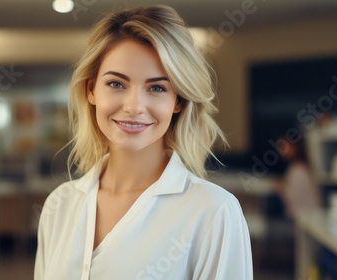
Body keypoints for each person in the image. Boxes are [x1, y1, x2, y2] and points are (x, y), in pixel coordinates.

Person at [35, 4, 252, 280]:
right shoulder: (59, 205)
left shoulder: (213, 211)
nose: (134, 106)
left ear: (179, 102)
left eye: (157, 88)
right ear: (91, 90)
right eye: (116, 84)